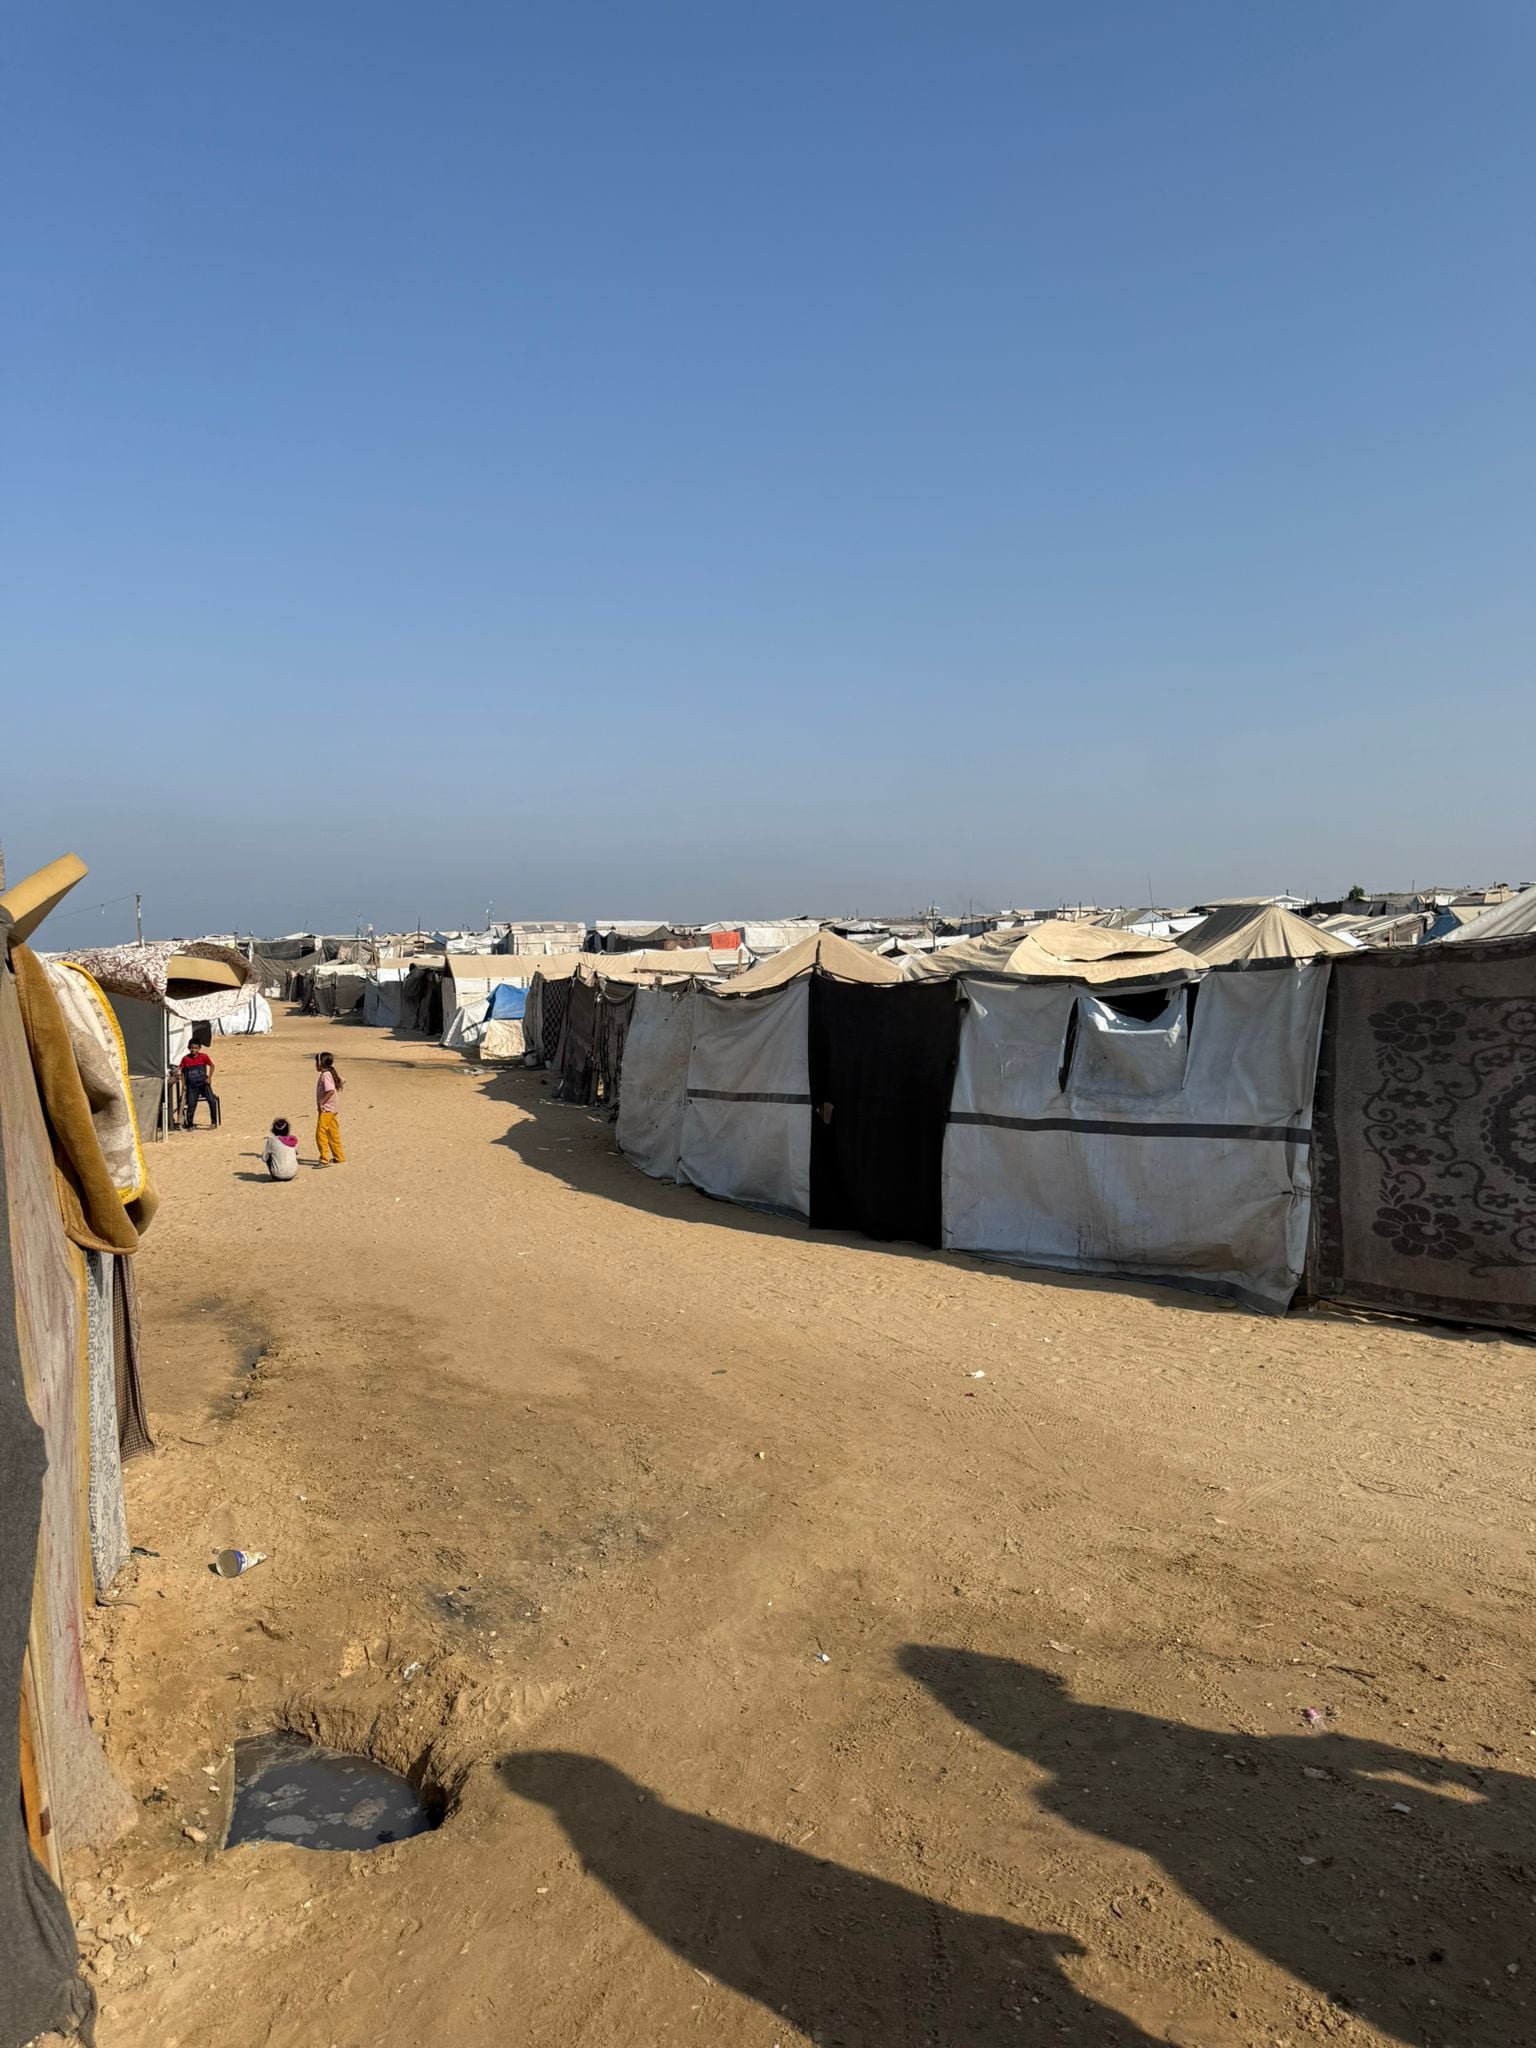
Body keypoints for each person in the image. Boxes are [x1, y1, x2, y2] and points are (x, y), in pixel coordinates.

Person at [314, 1051, 346, 1164]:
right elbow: (342, 1080)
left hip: (327, 1109)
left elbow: (330, 1090)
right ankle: (339, 1157)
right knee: (333, 1133)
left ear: (320, 1063)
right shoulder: (331, 1073)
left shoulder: (325, 1075)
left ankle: (324, 1159)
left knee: (320, 1133)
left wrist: (321, 1102)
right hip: (333, 1108)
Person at [180, 1042, 216, 1129]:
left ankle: (214, 1122)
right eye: (192, 1048)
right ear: (189, 1048)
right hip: (192, 1085)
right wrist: (183, 1084)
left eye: (195, 1048)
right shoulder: (185, 1059)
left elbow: (212, 1066)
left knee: (211, 1101)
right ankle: (190, 1124)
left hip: (203, 1083)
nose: (193, 1050)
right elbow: (182, 1072)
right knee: (191, 1105)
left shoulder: (204, 1057)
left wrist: (209, 1078)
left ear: (199, 1048)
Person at [262, 1117, 299, 1181]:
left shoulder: (271, 1140)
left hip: (278, 1174)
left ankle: (274, 1177)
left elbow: (264, 1158)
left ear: (273, 1129)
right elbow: (297, 1152)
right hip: (293, 1172)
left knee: (269, 1155)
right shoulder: (293, 1140)